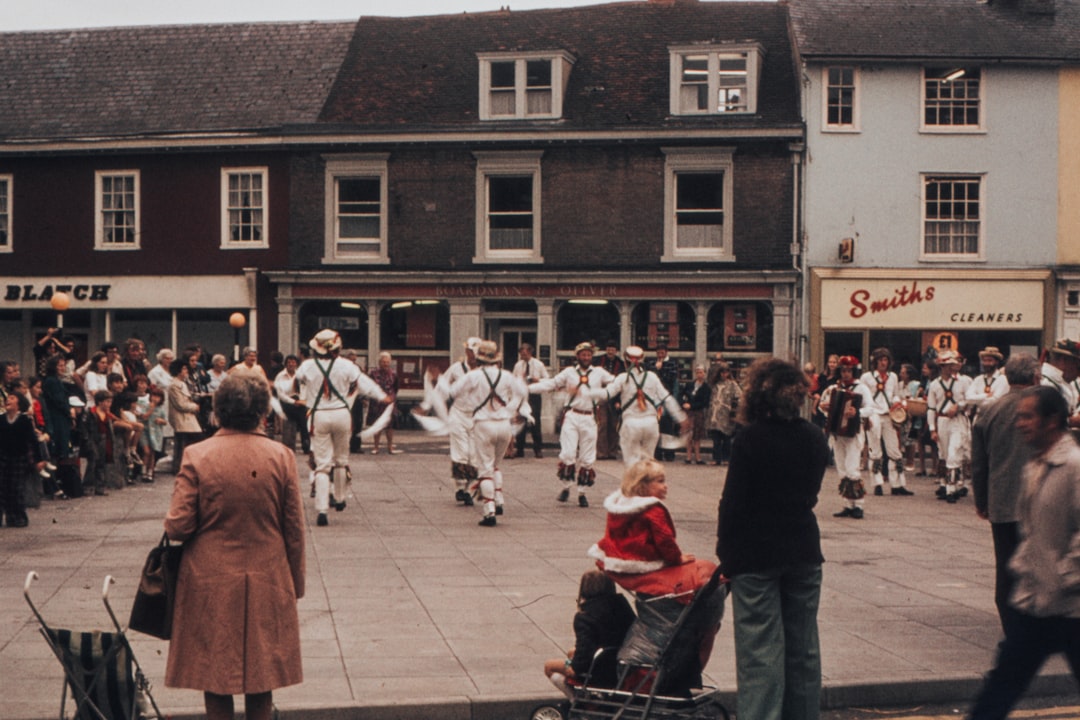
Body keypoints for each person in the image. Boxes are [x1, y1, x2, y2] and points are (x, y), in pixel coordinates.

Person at [164, 374, 305, 720]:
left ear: (218, 411)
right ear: (262, 412)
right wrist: (295, 584)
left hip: (209, 577)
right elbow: (294, 529)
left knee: (215, 676)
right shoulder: (282, 456)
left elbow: (179, 526)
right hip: (268, 574)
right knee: (262, 676)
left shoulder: (197, 455)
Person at [716, 357, 829, 720]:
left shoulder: (749, 438)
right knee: (803, 649)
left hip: (755, 553)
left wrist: (727, 555)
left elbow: (733, 503)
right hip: (803, 549)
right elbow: (811, 495)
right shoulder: (815, 437)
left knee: (760, 651)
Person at [967, 386, 1080, 720]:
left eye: (1028, 416)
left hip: (1073, 608)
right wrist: (1023, 569)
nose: (1020, 423)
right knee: (999, 689)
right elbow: (1033, 534)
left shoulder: (1074, 467)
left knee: (1001, 688)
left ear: (1052, 420)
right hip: (1035, 604)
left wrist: (1065, 577)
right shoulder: (1035, 465)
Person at [971, 352, 1038, 635]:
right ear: (1035, 377)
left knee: (1006, 568)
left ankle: (1013, 629)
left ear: (1007, 377)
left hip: (1002, 501)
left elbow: (978, 463)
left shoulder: (989, 410)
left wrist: (982, 501)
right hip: (1039, 502)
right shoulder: (1043, 408)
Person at [295, 329, 387, 527]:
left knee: (322, 464)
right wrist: (381, 396)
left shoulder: (308, 365)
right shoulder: (347, 365)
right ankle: (340, 496)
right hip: (342, 414)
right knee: (341, 459)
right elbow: (365, 384)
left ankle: (321, 508)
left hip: (319, 414)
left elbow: (294, 385)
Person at [589, 458, 716, 600]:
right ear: (643, 485)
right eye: (660, 481)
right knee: (705, 569)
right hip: (645, 559)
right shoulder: (653, 509)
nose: (666, 486)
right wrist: (677, 559)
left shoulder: (620, 505)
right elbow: (665, 540)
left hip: (618, 557)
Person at [447, 340, 530, 526]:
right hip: (504, 425)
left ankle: (489, 511)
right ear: (496, 358)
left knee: (485, 468)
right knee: (495, 466)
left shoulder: (473, 375)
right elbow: (523, 391)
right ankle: (499, 500)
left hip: (483, 424)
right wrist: (511, 410)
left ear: (479, 358)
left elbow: (452, 391)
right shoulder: (506, 375)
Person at [529, 341, 614, 508]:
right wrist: (528, 388)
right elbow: (551, 383)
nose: (586, 357)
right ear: (578, 356)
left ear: (592, 356)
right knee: (568, 453)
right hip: (572, 416)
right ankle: (566, 487)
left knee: (587, 456)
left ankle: (582, 492)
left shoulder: (599, 373)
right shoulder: (569, 372)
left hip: (590, 417)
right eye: (583, 354)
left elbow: (615, 382)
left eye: (589, 354)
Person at [543, 569, 636, 698]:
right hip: (621, 664)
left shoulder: (584, 616)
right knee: (571, 652)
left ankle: (577, 701)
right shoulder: (622, 607)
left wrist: (573, 667)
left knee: (550, 666)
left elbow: (583, 655)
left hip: (600, 671)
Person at [595, 346, 687, 467]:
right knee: (647, 463)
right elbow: (667, 398)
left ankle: (634, 484)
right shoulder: (652, 377)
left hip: (631, 424)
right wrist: (681, 418)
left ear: (626, 362)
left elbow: (605, 394)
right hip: (651, 424)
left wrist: (584, 393)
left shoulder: (622, 377)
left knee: (632, 465)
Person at [819, 356, 873, 519]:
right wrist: (824, 407)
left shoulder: (861, 388)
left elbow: (870, 408)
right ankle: (848, 504)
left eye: (849, 370)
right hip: (837, 433)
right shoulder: (833, 389)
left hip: (854, 432)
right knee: (842, 468)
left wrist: (857, 413)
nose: (846, 374)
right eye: (843, 370)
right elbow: (824, 404)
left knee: (852, 467)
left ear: (854, 371)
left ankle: (859, 505)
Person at [859, 347, 911, 496]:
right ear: (875, 362)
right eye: (881, 360)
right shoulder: (866, 377)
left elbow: (895, 395)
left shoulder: (893, 377)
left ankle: (897, 485)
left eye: (886, 360)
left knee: (894, 449)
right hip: (873, 414)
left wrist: (897, 405)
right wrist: (866, 417)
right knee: (875, 450)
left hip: (889, 415)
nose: (884, 363)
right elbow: (862, 398)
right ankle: (877, 484)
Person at [927, 349, 973, 503]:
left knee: (954, 452)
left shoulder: (964, 382)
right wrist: (932, 429)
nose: (951, 367)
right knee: (945, 454)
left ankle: (951, 489)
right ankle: (948, 483)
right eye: (947, 365)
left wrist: (958, 406)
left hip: (958, 421)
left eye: (952, 364)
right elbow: (931, 408)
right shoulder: (934, 384)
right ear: (941, 366)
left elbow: (970, 399)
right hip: (942, 421)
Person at [0, 392, 45, 527]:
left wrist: (39, 459)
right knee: (2, 488)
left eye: (12, 398)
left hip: (19, 458)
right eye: (7, 398)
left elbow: (33, 441)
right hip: (3, 458)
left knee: (16, 488)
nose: (8, 400)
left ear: (19, 403)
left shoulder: (24, 420)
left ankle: (17, 517)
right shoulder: (1, 419)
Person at [167, 360, 205, 473]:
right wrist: (195, 407)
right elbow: (180, 404)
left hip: (188, 418)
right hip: (182, 419)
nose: (186, 371)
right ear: (178, 371)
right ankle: (179, 467)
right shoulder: (174, 385)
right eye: (184, 369)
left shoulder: (182, 384)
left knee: (189, 443)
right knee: (183, 445)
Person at [513, 343, 548, 458]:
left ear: (530, 352)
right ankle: (520, 448)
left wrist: (536, 380)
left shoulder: (538, 364)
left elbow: (546, 379)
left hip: (534, 395)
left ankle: (538, 449)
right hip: (522, 395)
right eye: (521, 353)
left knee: (535, 422)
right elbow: (513, 379)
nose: (523, 355)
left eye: (525, 353)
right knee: (521, 420)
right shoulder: (518, 365)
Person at [594, 341, 625, 460]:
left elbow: (622, 384)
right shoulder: (597, 362)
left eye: (613, 349)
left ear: (616, 351)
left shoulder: (621, 364)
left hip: (614, 398)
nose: (610, 351)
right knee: (602, 425)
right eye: (608, 349)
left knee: (614, 426)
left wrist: (619, 401)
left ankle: (612, 452)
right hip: (601, 397)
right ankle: (601, 452)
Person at [706, 361, 741, 465]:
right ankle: (716, 458)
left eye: (726, 372)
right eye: (722, 372)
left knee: (726, 438)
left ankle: (726, 458)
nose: (724, 375)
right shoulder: (714, 385)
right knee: (716, 439)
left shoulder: (732, 385)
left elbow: (740, 397)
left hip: (726, 414)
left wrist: (734, 410)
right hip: (714, 415)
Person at [273, 355, 309, 453]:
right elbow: (280, 395)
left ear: (296, 364)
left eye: (293, 362)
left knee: (303, 417)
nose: (291, 364)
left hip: (299, 402)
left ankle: (306, 445)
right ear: (286, 364)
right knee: (299, 416)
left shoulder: (300, 375)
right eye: (289, 362)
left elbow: (304, 389)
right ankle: (297, 445)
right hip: (287, 402)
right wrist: (293, 402)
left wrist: (301, 401)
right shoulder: (280, 376)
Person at [366, 351, 400, 455]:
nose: (385, 364)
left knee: (390, 426)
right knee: (377, 425)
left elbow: (396, 387)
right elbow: (369, 386)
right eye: (383, 362)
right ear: (379, 362)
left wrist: (391, 397)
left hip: (389, 402)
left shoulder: (394, 373)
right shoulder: (373, 373)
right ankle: (376, 447)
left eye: (387, 362)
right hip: (376, 403)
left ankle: (390, 447)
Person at [652, 345, 680, 461]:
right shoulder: (652, 363)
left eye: (662, 353)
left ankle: (669, 453)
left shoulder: (672, 364)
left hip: (667, 398)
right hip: (656, 400)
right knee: (656, 427)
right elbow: (650, 376)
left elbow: (669, 378)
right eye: (658, 353)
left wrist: (659, 369)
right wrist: (655, 368)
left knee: (668, 428)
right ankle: (657, 453)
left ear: (666, 352)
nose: (660, 355)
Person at [680, 365, 710, 465]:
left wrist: (692, 405)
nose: (699, 374)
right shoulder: (689, 385)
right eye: (697, 372)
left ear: (705, 374)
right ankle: (688, 457)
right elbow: (681, 395)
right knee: (688, 435)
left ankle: (698, 457)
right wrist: (683, 404)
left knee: (697, 436)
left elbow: (705, 403)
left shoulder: (706, 388)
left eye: (701, 372)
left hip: (698, 412)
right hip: (688, 413)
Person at [965, 346, 1009, 415]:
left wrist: (976, 400)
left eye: (989, 361)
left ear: (996, 362)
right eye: (984, 361)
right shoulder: (978, 379)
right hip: (978, 417)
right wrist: (985, 395)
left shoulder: (1003, 379)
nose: (986, 364)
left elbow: (994, 401)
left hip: (995, 417)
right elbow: (968, 398)